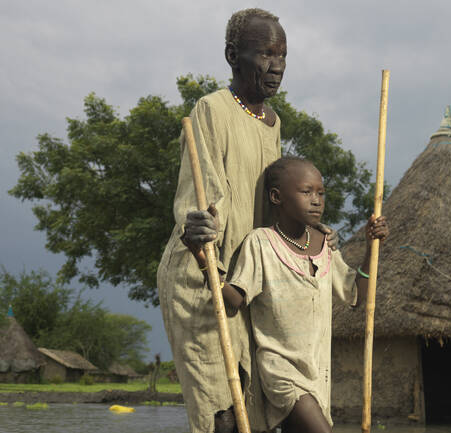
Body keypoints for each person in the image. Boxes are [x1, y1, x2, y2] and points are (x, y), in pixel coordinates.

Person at [157, 8, 335, 433]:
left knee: (253, 411)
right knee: (221, 413)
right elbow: (200, 196)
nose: (276, 67)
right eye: (266, 55)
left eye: (283, 56)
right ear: (233, 55)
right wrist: (201, 236)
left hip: (248, 281)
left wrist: (305, 233)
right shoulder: (211, 109)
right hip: (202, 279)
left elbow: (275, 200)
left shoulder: (273, 123)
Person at [185, 156, 389, 433]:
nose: (316, 200)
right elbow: (234, 299)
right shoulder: (261, 243)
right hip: (281, 370)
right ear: (277, 196)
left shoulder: (324, 244)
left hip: (319, 372)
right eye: (306, 192)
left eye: (320, 193)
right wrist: (202, 257)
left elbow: (356, 293)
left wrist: (370, 248)